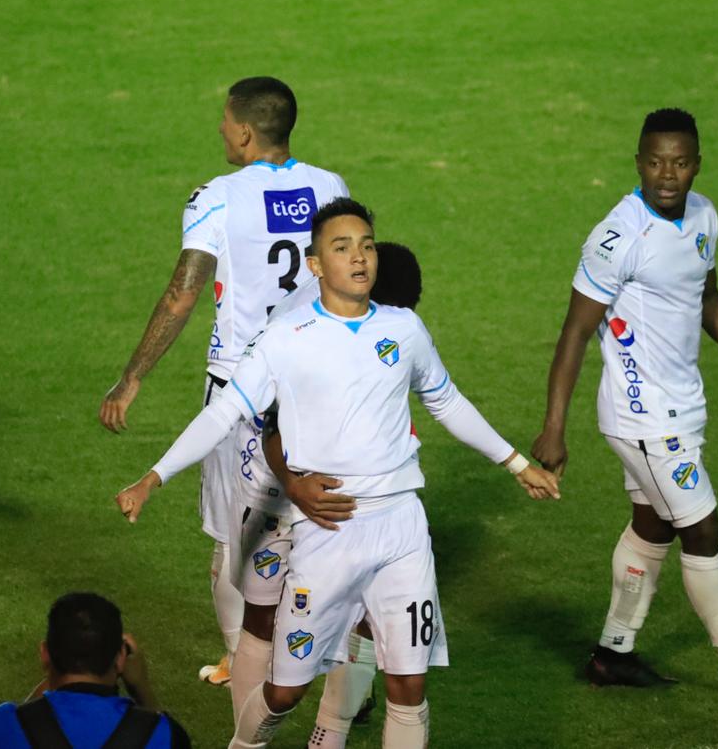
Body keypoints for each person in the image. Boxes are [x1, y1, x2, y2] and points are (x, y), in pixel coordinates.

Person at [117, 198, 561, 748]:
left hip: (401, 527)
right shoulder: (287, 338)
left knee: (409, 684)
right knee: (284, 693)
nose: (359, 258)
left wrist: (516, 463)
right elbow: (225, 414)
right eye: (342, 247)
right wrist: (153, 476)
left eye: (367, 246)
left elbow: (447, 401)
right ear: (315, 265)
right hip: (328, 533)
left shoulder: (404, 329)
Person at [530, 108, 718, 713]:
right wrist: (554, 426)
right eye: (654, 162)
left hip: (683, 409)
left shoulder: (703, 215)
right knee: (701, 528)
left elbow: (705, 295)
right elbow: (574, 333)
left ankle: (613, 654)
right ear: (638, 163)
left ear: (696, 165)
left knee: (652, 525)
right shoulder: (618, 236)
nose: (666, 174)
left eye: (679, 162)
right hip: (642, 417)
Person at [99, 77, 348, 686]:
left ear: (242, 130)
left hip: (243, 390)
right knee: (325, 529)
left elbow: (185, 293)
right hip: (321, 382)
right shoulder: (330, 187)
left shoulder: (217, 196)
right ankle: (340, 667)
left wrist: (132, 377)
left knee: (235, 542)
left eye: (224, 121)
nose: (219, 130)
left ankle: (243, 665)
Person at [222, 241, 422, 742]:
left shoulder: (371, 327)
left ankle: (324, 739)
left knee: (358, 622)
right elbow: (271, 426)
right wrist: (295, 485)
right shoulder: (303, 336)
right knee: (267, 624)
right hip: (273, 488)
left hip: (329, 499)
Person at [0, 592, 190, 748]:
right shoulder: (164, 734)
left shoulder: (1, 724)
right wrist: (142, 689)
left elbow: (25, 716)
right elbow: (162, 733)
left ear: (45, 653)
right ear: (121, 658)